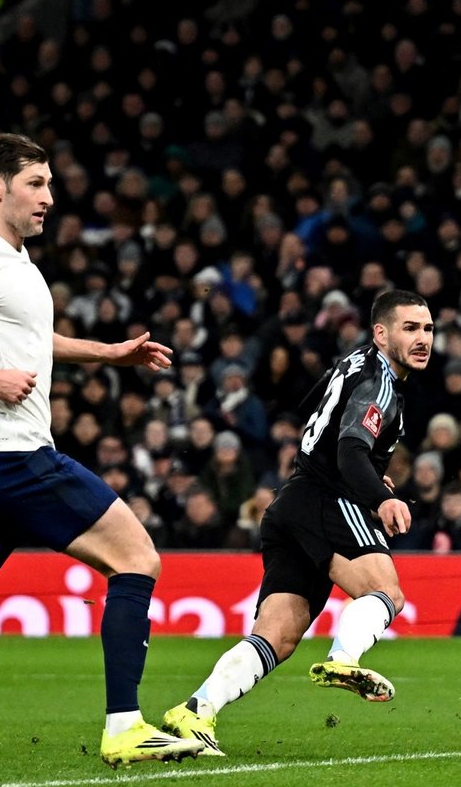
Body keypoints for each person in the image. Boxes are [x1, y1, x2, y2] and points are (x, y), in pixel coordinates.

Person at [0, 133, 202, 767]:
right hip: (13, 456)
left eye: (50, 185)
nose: (48, 198)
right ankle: (125, 727)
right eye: (36, 184)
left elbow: (38, 342)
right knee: (137, 558)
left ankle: (126, 725)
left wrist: (110, 352)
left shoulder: (15, 262)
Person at [162, 289, 434, 755]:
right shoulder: (381, 382)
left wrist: (369, 469)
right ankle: (343, 659)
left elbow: (317, 416)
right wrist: (378, 496)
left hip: (291, 503)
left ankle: (195, 711)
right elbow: (350, 448)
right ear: (381, 333)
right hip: (328, 500)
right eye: (410, 328)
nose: (423, 338)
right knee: (386, 593)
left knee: (278, 635)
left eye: (428, 329)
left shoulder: (353, 363)